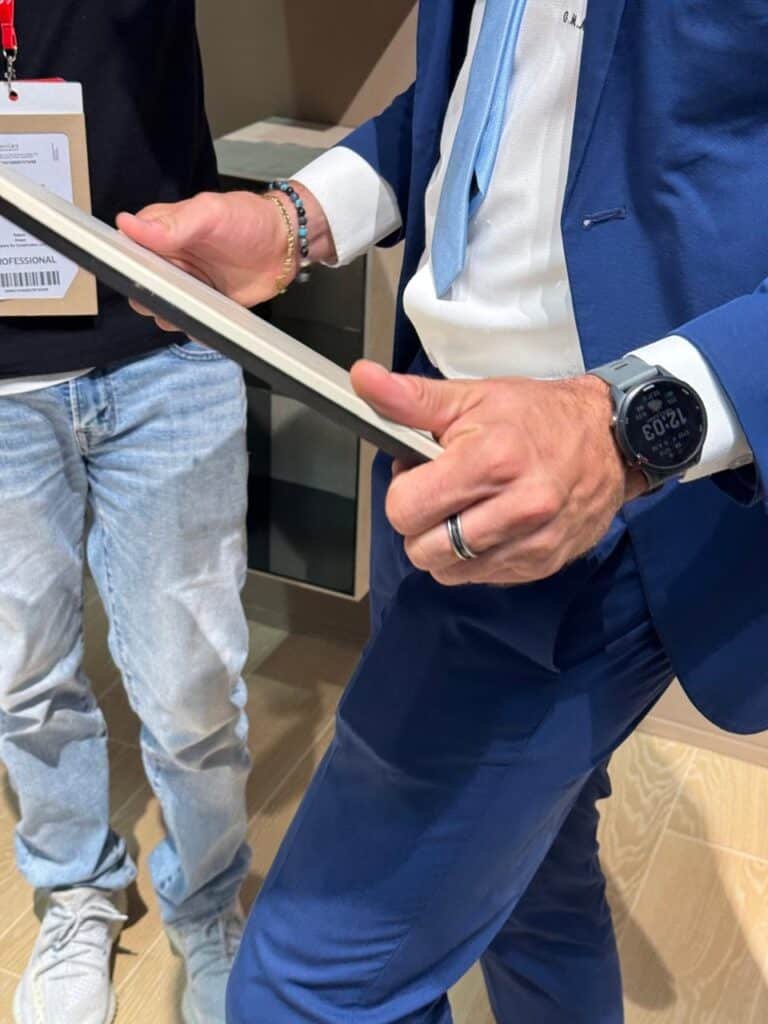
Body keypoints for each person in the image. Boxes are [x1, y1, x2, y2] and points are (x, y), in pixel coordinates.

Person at [120, 1, 768, 1021]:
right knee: (532, 877)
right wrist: (294, 219)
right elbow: (486, 101)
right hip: (431, 443)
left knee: (305, 991)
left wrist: (624, 427)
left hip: (603, 498)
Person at [0, 4, 251, 1023]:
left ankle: (208, 898)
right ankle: (75, 890)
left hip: (164, 336)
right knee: (22, 674)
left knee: (193, 684)